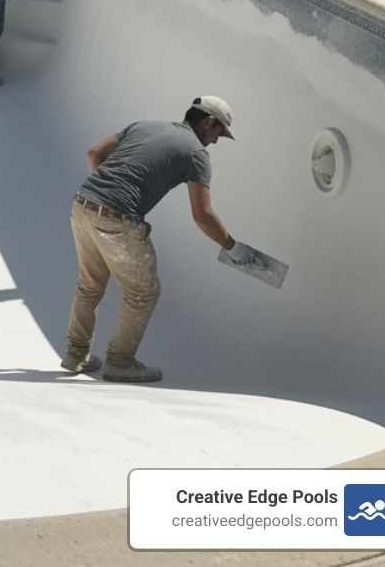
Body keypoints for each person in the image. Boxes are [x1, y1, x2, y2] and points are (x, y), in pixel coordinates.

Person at [62, 96, 252, 383]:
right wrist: (232, 248)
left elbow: (94, 154)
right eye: (219, 133)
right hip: (117, 218)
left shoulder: (144, 126)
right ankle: (119, 362)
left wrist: (105, 195)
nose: (215, 141)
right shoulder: (196, 154)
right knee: (143, 292)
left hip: (83, 204)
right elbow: (202, 215)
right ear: (209, 121)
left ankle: (76, 355)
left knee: (89, 285)